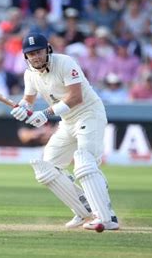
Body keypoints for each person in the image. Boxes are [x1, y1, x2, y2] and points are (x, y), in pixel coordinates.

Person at [10, 33, 119, 231]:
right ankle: (84, 210)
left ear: (48, 49)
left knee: (84, 162)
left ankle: (106, 217)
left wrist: (45, 114)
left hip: (89, 114)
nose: (35, 57)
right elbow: (29, 99)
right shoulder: (30, 74)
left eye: (39, 52)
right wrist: (23, 107)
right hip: (67, 121)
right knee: (47, 168)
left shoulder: (65, 63)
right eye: (31, 54)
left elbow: (76, 97)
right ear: (26, 57)